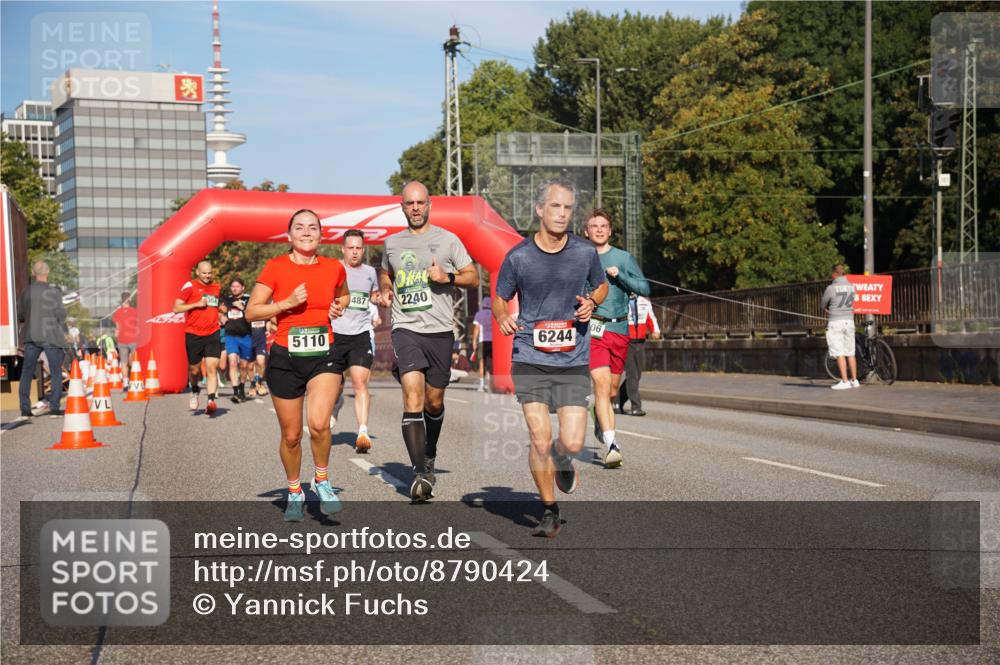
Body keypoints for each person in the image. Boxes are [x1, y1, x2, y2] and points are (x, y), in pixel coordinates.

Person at [493, 179, 608, 538]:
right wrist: (501, 315)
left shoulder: (584, 252)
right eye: (555, 206)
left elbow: (600, 284)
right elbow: (500, 296)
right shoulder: (518, 256)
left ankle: (563, 460)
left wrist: (593, 301)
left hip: (572, 356)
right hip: (530, 355)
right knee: (539, 438)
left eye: (568, 208)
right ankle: (549, 510)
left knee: (572, 443)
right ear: (540, 210)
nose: (562, 214)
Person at [247, 209, 349, 521]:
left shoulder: (334, 267)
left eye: (313, 228)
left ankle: (321, 480)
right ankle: (294, 490)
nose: (307, 232)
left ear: (321, 235)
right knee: (291, 436)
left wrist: (338, 307)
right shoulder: (275, 267)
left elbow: (344, 296)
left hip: (324, 353)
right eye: (300, 228)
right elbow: (252, 312)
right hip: (285, 357)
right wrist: (286, 303)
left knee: (319, 424)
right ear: (289, 236)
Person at [380, 180, 478, 501]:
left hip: (439, 331)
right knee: (413, 395)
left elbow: (473, 276)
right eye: (410, 203)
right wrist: (384, 287)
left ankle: (430, 451)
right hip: (406, 328)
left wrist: (447, 277)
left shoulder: (448, 240)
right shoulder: (392, 243)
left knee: (433, 402)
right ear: (402, 206)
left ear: (430, 205)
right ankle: (420, 473)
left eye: (421, 203)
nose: (416, 208)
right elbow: (386, 271)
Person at [582, 209, 650, 469]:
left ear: (610, 231)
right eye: (594, 226)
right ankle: (612, 445)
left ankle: (600, 417)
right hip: (594, 330)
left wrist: (619, 275)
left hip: (619, 330)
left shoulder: (622, 258)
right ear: (586, 231)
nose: (599, 229)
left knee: (611, 390)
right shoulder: (580, 258)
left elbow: (644, 288)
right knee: (600, 387)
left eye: (603, 226)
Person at [329, 229, 381, 453]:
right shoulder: (334, 269)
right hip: (335, 334)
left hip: (360, 334)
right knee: (334, 385)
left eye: (359, 248)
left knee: (360, 383)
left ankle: (362, 431)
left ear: (363, 249)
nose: (355, 252)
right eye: (350, 248)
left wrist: (381, 299)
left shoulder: (370, 272)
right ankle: (336, 403)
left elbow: (374, 296)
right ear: (343, 249)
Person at [17, 261, 68, 420]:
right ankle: (54, 408)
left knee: (27, 371)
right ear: (48, 272)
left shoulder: (26, 292)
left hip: (31, 336)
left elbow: (20, 316)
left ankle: (25, 409)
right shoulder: (54, 292)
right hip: (51, 336)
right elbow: (61, 316)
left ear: (33, 273)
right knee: (55, 371)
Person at [173, 260, 223, 414]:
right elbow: (176, 308)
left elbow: (216, 306)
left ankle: (211, 400)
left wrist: (222, 310)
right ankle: (194, 390)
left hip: (213, 332)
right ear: (197, 273)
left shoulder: (217, 287)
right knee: (194, 370)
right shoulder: (189, 286)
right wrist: (195, 304)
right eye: (204, 273)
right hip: (194, 334)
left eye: (209, 273)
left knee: (211, 368)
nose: (207, 276)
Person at [617, 295, 661, 416]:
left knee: (638, 374)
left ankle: (617, 402)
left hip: (640, 341)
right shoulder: (621, 298)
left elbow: (650, 316)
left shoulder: (645, 299)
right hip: (626, 341)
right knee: (632, 374)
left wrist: (655, 330)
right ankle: (636, 406)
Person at [821, 263, 859, 390]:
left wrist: (826, 309)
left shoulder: (831, 288)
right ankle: (855, 380)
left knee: (839, 352)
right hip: (849, 321)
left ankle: (844, 381)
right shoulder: (852, 287)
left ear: (835, 274)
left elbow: (823, 304)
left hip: (836, 322)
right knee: (850, 353)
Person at [221, 277, 254, 403]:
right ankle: (235, 392)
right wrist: (221, 316)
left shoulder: (249, 300)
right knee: (233, 361)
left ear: (243, 288)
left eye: (237, 286)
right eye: (233, 286)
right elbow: (220, 312)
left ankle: (241, 387)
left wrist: (243, 308)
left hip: (246, 336)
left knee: (244, 366)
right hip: (231, 336)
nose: (235, 288)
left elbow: (253, 315)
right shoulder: (227, 300)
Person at [111, 291, 139, 371]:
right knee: (135, 361)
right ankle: (135, 379)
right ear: (129, 299)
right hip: (134, 339)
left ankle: (126, 382)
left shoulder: (117, 313)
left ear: (121, 299)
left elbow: (117, 328)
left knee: (123, 363)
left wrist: (117, 337)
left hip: (122, 340)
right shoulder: (135, 312)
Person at [471, 296, 493, 392]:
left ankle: (481, 385)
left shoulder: (479, 314)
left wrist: (474, 341)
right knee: (491, 364)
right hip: (493, 341)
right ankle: (490, 385)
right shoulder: (493, 314)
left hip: (482, 340)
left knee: (482, 363)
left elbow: (477, 329)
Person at [248, 315, 270, 398]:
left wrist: (268, 329)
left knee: (261, 362)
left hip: (261, 340)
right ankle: (252, 385)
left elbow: (267, 320)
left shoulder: (262, 310)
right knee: (250, 366)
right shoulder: (247, 309)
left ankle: (259, 382)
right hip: (249, 340)